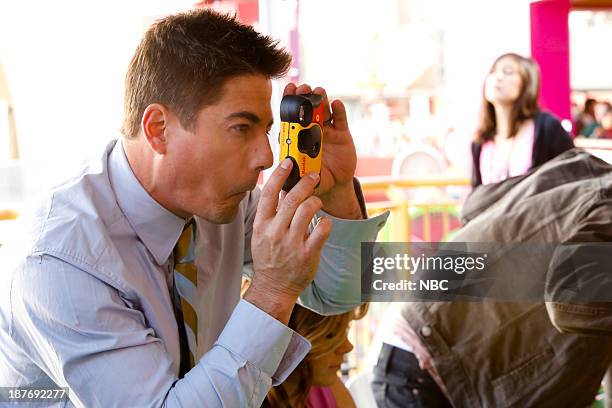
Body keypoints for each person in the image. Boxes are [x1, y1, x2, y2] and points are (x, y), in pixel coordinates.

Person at [0, 9, 388, 407]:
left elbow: (337, 295)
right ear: (158, 129)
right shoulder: (60, 263)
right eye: (242, 127)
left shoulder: (220, 203)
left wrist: (337, 190)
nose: (265, 156)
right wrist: (272, 288)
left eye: (267, 130)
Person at [374, 148, 612, 407]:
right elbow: (569, 298)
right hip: (432, 361)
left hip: (417, 335)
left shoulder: (585, 165)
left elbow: (476, 205)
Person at [471, 53, 574, 188]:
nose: (498, 77)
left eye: (508, 71)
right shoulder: (480, 141)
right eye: (493, 71)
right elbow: (478, 195)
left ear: (527, 82)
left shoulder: (547, 128)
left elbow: (574, 181)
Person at [262, 303, 367, 408]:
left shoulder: (330, 387)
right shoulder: (251, 398)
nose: (348, 347)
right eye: (331, 334)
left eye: (345, 330)